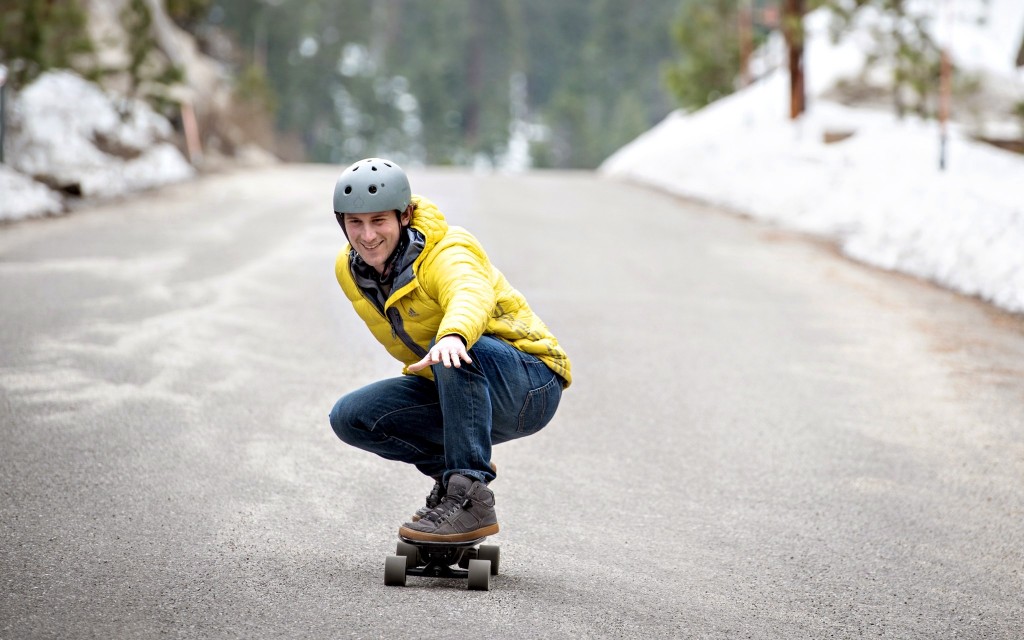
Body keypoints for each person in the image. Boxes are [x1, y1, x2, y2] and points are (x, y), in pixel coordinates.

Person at [328, 158, 572, 543]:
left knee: (450, 351)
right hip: (459, 387)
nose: (367, 235)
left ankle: (471, 495)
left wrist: (454, 335)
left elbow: (469, 292)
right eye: (355, 223)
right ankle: (456, 477)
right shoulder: (350, 270)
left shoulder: (446, 249)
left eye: (379, 221)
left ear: (405, 215)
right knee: (352, 417)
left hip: (529, 385)